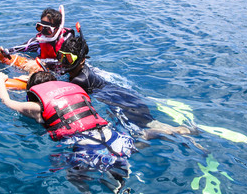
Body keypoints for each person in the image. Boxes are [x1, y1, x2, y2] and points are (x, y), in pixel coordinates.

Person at [0, 70, 142, 194]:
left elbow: (6, 101)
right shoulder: (75, 92)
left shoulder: (35, 107)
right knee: (117, 169)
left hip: (86, 147)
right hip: (113, 136)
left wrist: (1, 79)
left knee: (71, 175)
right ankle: (129, 193)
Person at [57, 27, 203, 145]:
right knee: (150, 128)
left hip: (123, 103)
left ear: (81, 61)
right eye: (61, 56)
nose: (63, 62)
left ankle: (181, 132)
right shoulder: (81, 72)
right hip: (124, 96)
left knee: (142, 136)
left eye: (68, 58)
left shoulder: (79, 80)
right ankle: (182, 134)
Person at [0, 6, 74, 73]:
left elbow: (69, 61)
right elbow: (22, 47)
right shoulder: (39, 41)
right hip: (45, 67)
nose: (43, 32)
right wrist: (6, 51)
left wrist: (43, 62)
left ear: (57, 29)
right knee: (30, 65)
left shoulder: (67, 39)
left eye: (47, 29)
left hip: (63, 70)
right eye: (40, 27)